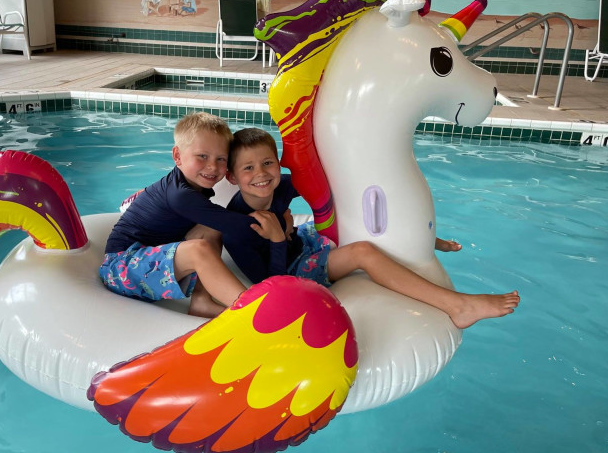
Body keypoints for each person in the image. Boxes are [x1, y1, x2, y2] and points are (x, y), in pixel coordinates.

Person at [222, 127, 520, 329]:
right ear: (233, 177)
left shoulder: (282, 187)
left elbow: (328, 183)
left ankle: (427, 239)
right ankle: (458, 306)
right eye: (248, 168)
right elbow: (269, 283)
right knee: (363, 251)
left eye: (268, 163)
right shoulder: (237, 227)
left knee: (357, 217)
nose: (261, 174)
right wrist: (277, 239)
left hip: (303, 240)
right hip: (292, 268)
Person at [100, 113, 260, 318]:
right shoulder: (181, 195)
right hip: (120, 268)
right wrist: (277, 226)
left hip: (148, 258)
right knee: (198, 249)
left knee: (211, 227)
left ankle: (202, 301)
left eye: (221, 159)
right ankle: (253, 314)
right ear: (177, 156)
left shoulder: (189, 186)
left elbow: (224, 222)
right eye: (202, 156)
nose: (212, 166)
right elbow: (240, 226)